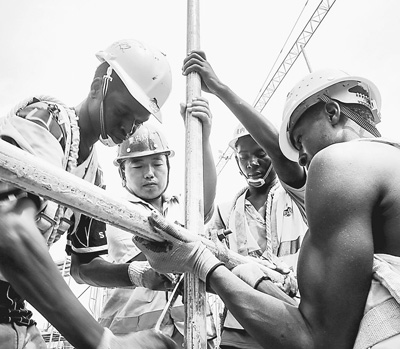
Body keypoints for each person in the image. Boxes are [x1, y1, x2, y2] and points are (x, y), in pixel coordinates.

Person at [134, 67, 400, 349]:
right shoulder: (387, 162)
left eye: (299, 140)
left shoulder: (339, 165)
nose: (300, 156)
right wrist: (259, 282)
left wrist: (201, 263)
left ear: (333, 113)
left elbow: (318, 342)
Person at [0, 38, 177, 349]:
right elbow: (9, 229)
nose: (128, 128)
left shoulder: (92, 177)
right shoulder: (47, 121)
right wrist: (105, 342)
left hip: (12, 309)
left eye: (139, 121)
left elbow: (84, 266)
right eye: (125, 111)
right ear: (98, 86)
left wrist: (136, 274)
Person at [183, 51, 308, 349]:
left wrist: (220, 88)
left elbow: (283, 156)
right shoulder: (229, 211)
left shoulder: (299, 194)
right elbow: (200, 206)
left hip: (298, 315)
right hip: (244, 323)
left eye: (259, 154)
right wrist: (204, 138)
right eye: (244, 157)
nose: (252, 163)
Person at [70, 98, 217, 348]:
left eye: (157, 164)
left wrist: (202, 139)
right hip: (133, 337)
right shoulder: (113, 212)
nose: (149, 173)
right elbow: (86, 269)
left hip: (191, 334)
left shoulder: (182, 205)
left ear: (168, 167)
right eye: (137, 165)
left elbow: (204, 200)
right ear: (122, 172)